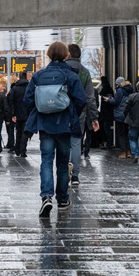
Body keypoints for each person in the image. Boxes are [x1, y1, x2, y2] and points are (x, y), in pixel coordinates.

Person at [24, 41, 87, 217]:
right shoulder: (70, 76)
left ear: (49, 55)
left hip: (45, 125)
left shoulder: (39, 76)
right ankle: (62, 198)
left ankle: (46, 197)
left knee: (46, 160)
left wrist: (40, 113)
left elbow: (28, 100)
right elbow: (82, 99)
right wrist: (72, 113)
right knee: (62, 162)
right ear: (66, 55)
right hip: (64, 125)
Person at [65, 44, 100, 185]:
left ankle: (63, 170)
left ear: (68, 54)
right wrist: (94, 117)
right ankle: (75, 176)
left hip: (62, 111)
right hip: (79, 113)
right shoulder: (85, 72)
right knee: (76, 142)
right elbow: (90, 98)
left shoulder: (62, 70)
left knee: (63, 142)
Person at [105, 77, 134, 159]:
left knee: (121, 134)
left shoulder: (120, 91)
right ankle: (129, 151)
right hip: (128, 115)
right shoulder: (130, 90)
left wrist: (108, 100)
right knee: (127, 133)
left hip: (120, 115)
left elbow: (116, 102)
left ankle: (123, 151)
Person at [8, 72, 31, 157]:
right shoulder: (29, 87)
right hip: (27, 113)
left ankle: (17, 148)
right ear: (26, 77)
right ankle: (23, 150)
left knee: (18, 132)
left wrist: (13, 114)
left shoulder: (15, 88)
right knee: (25, 132)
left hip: (17, 114)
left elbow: (11, 102)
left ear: (19, 77)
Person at [99, 76, 115, 148]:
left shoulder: (104, 89)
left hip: (105, 112)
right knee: (107, 127)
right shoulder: (110, 89)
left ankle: (108, 142)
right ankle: (109, 142)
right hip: (109, 112)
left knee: (106, 128)